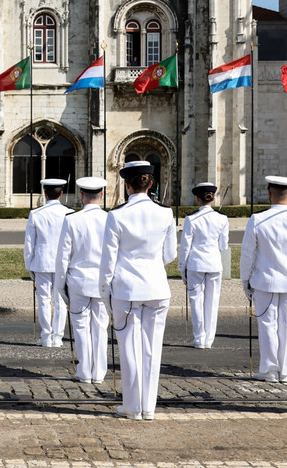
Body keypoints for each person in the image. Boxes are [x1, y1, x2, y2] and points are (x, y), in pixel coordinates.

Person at [101, 161, 176, 421]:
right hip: (157, 286)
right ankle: (148, 408)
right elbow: (170, 254)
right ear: (151, 183)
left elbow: (108, 260)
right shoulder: (165, 213)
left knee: (130, 349)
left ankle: (133, 407)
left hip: (127, 288)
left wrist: (105, 291)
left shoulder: (117, 215)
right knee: (152, 350)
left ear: (126, 184)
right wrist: (151, 265)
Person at [240, 175, 287, 383]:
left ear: (269, 194)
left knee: (267, 325)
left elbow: (247, 254)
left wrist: (245, 280)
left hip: (264, 280)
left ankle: (269, 370)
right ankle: (285, 371)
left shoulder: (257, 219)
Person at [55, 177, 109, 385]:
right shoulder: (110, 218)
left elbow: (62, 257)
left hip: (78, 281)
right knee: (100, 327)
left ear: (82, 195)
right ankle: (99, 373)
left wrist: (60, 286)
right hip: (102, 282)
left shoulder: (72, 219)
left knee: (80, 326)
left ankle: (85, 370)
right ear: (101, 195)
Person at [179, 181, 230, 349]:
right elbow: (223, 246)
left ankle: (199, 337)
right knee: (212, 301)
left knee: (196, 301)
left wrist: (182, 267)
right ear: (213, 198)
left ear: (197, 199)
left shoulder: (191, 219)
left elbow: (185, 246)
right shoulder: (222, 219)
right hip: (214, 263)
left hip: (196, 264)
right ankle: (208, 338)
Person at [23, 177, 72, 348]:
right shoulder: (69, 213)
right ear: (62, 194)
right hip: (61, 263)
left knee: (44, 300)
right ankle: (57, 337)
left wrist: (29, 266)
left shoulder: (36, 214)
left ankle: (46, 337)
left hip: (42, 262)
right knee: (60, 301)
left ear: (45, 193)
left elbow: (29, 244)